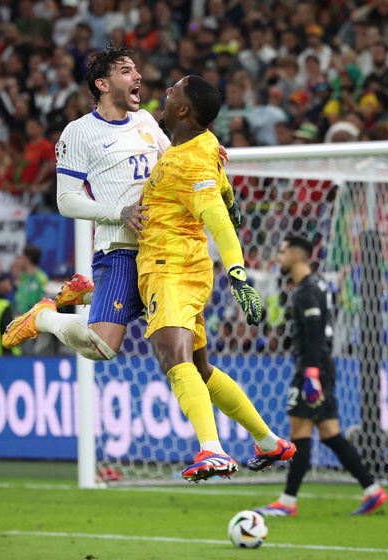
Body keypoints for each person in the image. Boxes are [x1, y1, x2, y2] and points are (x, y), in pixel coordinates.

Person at [2, 44, 237, 359]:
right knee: (103, 348)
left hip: (159, 248)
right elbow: (66, 201)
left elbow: (174, 164)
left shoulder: (146, 123)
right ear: (103, 84)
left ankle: (90, 293)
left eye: (136, 69)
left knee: (187, 350)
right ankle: (44, 316)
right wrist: (120, 212)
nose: (138, 75)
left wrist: (205, 152)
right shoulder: (79, 132)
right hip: (120, 250)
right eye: (126, 71)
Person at [135, 74, 296, 482]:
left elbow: (220, 223)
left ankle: (212, 450)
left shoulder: (189, 160)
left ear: (184, 109)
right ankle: (268, 441)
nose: (165, 94)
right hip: (182, 267)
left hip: (170, 267)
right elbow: (220, 192)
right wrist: (228, 193)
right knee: (201, 368)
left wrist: (239, 274)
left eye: (173, 92)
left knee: (174, 357)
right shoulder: (202, 146)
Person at [255, 235, 388, 517]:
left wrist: (311, 374)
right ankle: (372, 490)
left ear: (297, 255)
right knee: (330, 434)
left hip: (312, 368)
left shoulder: (307, 291)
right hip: (321, 366)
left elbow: (314, 334)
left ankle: (287, 502)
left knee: (299, 432)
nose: (278, 258)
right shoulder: (317, 286)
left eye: (282, 251)